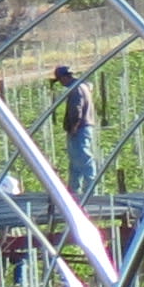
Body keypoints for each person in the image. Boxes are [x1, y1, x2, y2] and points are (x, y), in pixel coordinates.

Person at [50, 66, 94, 200]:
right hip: (83, 127)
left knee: (84, 158)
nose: (61, 83)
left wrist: (74, 126)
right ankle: (74, 191)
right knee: (75, 161)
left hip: (80, 128)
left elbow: (76, 109)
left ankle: (90, 190)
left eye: (60, 80)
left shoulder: (76, 89)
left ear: (64, 77)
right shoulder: (83, 86)